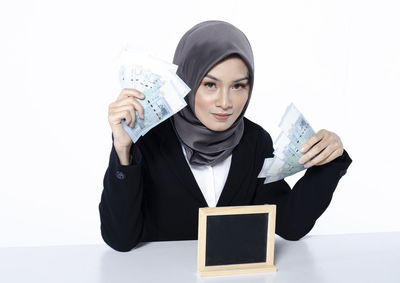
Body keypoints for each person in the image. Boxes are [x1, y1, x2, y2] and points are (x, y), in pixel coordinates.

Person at [100, 20, 352, 252]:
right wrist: (123, 149)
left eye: (238, 86)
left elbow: (290, 225)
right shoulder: (150, 140)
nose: (225, 102)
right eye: (210, 84)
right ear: (187, 81)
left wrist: (329, 159)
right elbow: (120, 240)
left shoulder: (254, 142)